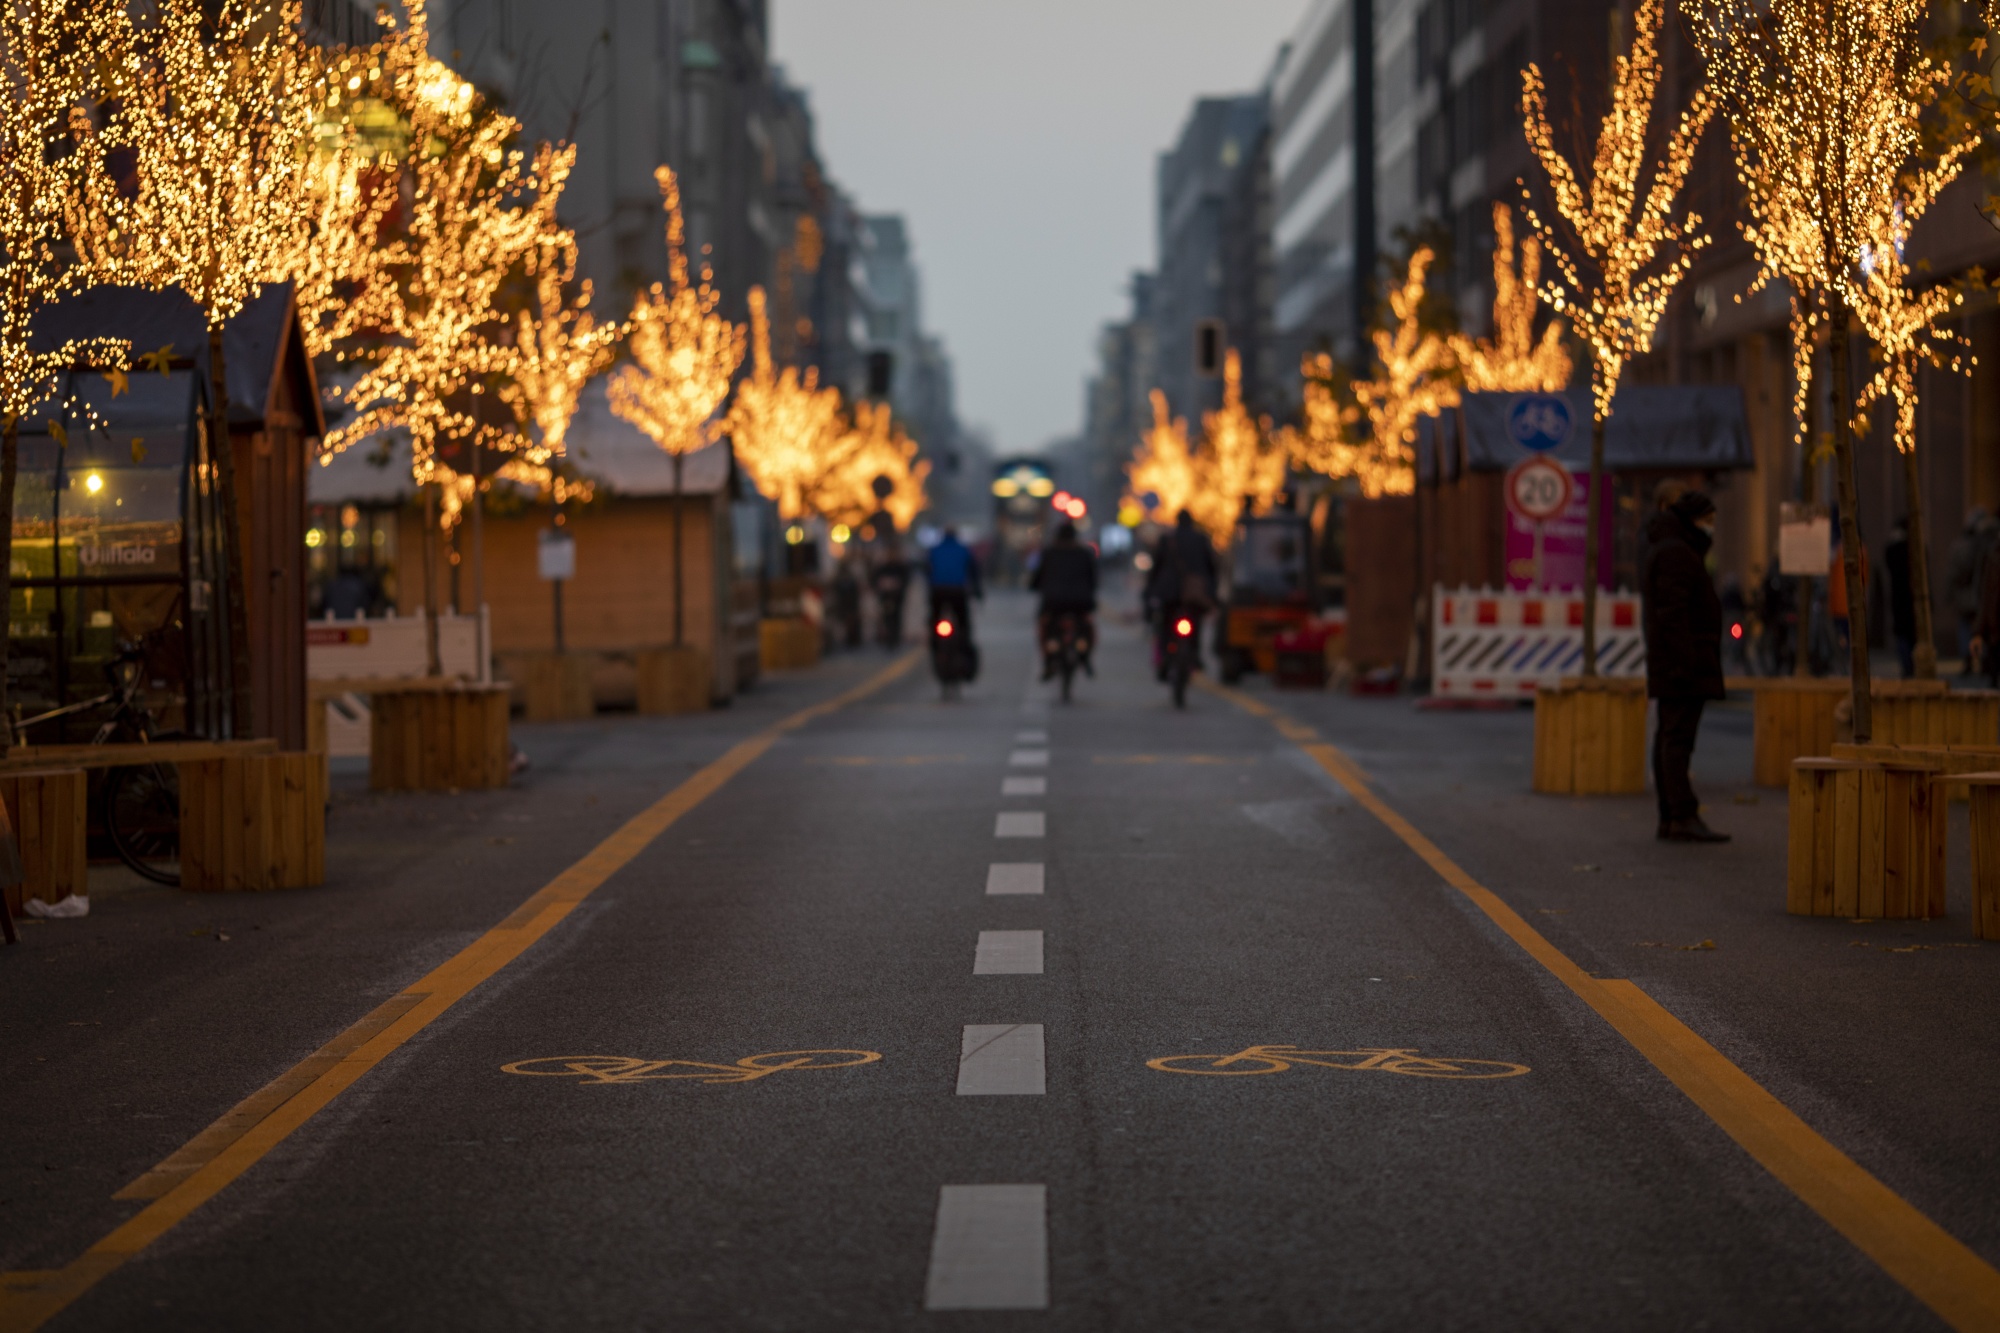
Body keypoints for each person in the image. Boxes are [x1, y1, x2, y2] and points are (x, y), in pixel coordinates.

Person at [1642, 486, 1729, 843]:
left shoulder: (1671, 548)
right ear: (1693, 520)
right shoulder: (1678, 554)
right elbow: (1673, 615)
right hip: (1682, 666)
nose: (1711, 528)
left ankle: (1672, 814)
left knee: (1669, 737)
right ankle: (1681, 813)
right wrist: (1684, 664)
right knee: (1677, 740)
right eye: (1708, 520)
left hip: (1676, 663)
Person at [1143, 511, 1219, 680]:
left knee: (1164, 626)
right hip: (1193, 594)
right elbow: (1212, 568)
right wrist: (1212, 594)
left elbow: (1155, 570)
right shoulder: (1201, 539)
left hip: (1168, 594)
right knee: (1195, 624)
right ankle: (1195, 656)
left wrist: (1150, 592)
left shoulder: (1167, 539)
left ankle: (1164, 656)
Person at [1031, 522, 1098, 679]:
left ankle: (1048, 660)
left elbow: (1037, 577)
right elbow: (1093, 579)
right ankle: (1086, 657)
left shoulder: (1048, 553)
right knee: (1087, 625)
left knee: (1044, 626)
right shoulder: (1084, 553)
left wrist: (1034, 586)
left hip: (1053, 602)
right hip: (1081, 602)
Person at [1948, 507, 1997, 673]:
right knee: (1978, 628)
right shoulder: (1985, 545)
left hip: (1970, 595)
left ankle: (1970, 659)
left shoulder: (1963, 546)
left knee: (1970, 628)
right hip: (1978, 595)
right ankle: (1979, 661)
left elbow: (1955, 573)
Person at [925, 526, 983, 640]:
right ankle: (964, 645)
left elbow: (927, 570)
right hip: (958, 591)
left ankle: (934, 646)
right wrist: (977, 590)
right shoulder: (964, 550)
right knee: (963, 622)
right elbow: (973, 571)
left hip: (938, 590)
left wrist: (930, 587)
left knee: (934, 618)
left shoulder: (934, 550)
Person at [1885, 520, 1916, 678]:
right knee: (1910, 634)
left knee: (1902, 635)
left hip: (1899, 599)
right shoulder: (1914, 548)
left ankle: (1907, 667)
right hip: (1913, 598)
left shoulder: (1892, 549)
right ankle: (1911, 666)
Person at [870, 542, 911, 648]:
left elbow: (906, 580)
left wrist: (898, 586)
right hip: (885, 596)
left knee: (897, 616)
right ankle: (888, 636)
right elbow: (875, 579)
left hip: (897, 596)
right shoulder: (883, 566)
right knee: (887, 616)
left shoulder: (901, 566)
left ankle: (895, 637)